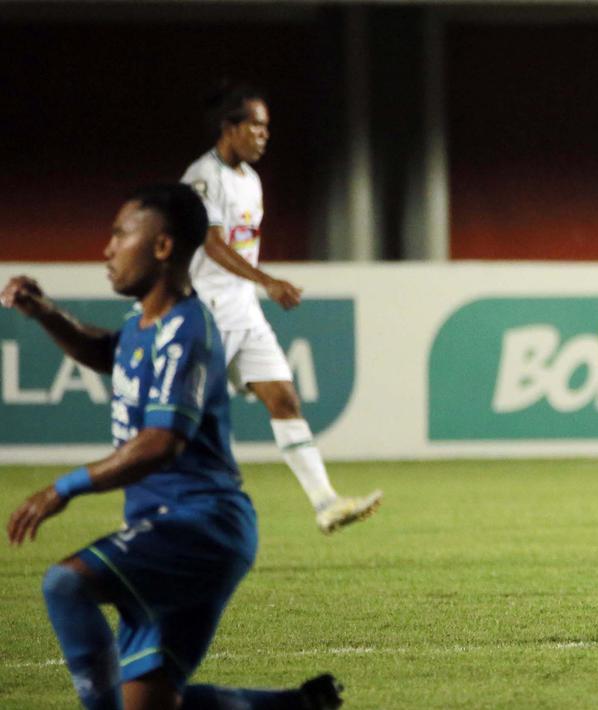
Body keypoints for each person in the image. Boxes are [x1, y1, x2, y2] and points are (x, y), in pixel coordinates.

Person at [2, 184, 344, 708]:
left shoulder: (187, 329)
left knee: (64, 585)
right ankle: (296, 705)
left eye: (120, 234)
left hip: (197, 526)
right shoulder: (145, 325)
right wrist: (45, 311)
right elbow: (105, 353)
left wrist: (62, 488)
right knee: (153, 704)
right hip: (186, 528)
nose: (107, 249)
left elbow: (162, 442)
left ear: (162, 247)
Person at [182, 83, 380, 533]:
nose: (263, 135)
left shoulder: (250, 181)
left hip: (243, 308)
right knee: (193, 418)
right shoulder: (201, 177)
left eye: (266, 127)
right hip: (207, 310)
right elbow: (211, 245)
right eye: (255, 125)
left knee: (284, 398)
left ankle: (326, 503)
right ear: (229, 127)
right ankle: (169, 510)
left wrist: (256, 286)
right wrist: (268, 280)